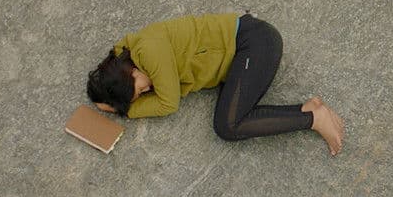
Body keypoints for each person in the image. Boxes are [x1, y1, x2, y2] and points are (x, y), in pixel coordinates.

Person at [86, 12, 345, 156]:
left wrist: (126, 110)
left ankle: (313, 118)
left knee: (228, 126)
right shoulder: (125, 55)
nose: (148, 89)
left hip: (253, 44)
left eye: (141, 89)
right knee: (230, 120)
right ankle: (306, 110)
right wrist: (108, 98)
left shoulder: (149, 52)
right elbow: (112, 67)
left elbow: (168, 103)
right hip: (236, 62)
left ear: (129, 71)